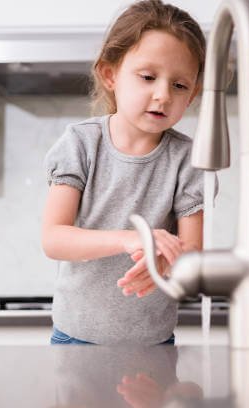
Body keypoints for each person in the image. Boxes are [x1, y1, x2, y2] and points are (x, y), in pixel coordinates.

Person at [42, 0, 208, 345]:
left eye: (179, 85)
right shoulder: (81, 143)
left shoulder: (188, 159)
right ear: (110, 74)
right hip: (74, 340)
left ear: (192, 94)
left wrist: (166, 262)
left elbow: (193, 253)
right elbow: (54, 238)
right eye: (148, 77)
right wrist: (130, 239)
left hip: (153, 344)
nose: (163, 95)